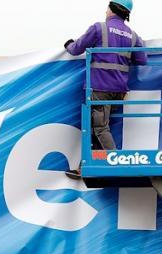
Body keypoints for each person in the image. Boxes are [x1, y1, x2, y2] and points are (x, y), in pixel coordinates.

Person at [65, 0, 147, 151]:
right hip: (119, 90)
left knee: (100, 127)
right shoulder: (133, 36)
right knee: (98, 126)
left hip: (100, 87)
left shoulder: (99, 28)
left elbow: (76, 49)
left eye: (107, 8)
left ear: (112, 10)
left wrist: (68, 45)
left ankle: (114, 162)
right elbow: (142, 59)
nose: (105, 12)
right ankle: (93, 163)